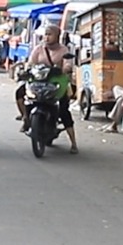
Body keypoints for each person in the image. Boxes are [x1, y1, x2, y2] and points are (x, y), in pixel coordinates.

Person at [16, 23, 80, 154]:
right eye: (45, 34)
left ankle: (73, 142)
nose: (47, 37)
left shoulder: (64, 50)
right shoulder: (39, 49)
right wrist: (26, 70)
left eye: (50, 34)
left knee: (63, 110)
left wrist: (65, 68)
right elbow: (31, 63)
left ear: (57, 36)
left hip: (57, 82)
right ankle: (25, 118)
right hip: (39, 81)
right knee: (21, 93)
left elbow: (68, 65)